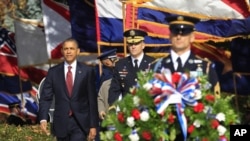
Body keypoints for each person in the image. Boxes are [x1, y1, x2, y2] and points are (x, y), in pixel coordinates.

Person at [38, 38, 98, 141]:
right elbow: (46, 97)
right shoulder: (53, 72)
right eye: (66, 49)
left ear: (78, 51)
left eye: (71, 48)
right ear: (62, 51)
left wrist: (93, 125)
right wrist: (43, 118)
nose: (68, 51)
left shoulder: (87, 71)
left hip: (80, 123)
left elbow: (92, 100)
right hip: (61, 123)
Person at [152, 15, 220, 93]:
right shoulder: (156, 66)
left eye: (184, 33)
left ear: (192, 37)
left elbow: (214, 101)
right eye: (175, 33)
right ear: (170, 36)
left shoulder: (205, 67)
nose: (179, 37)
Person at [108, 29, 155, 105]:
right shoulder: (120, 64)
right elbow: (114, 90)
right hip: (126, 108)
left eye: (136, 43)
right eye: (130, 44)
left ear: (143, 45)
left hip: (147, 107)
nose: (133, 46)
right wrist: (114, 107)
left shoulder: (153, 63)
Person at [97, 48, 118, 119]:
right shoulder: (107, 76)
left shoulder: (111, 72)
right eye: (114, 59)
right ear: (107, 62)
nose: (116, 61)